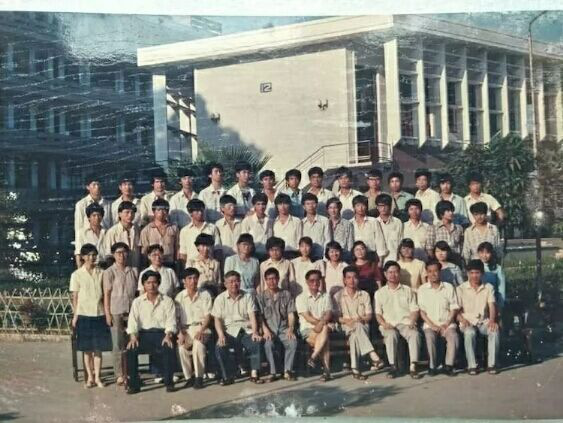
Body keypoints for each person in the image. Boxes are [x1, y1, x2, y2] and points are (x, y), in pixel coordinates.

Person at [126, 270, 177, 394]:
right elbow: (132, 321)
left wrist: (168, 335)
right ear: (144, 284)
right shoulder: (137, 302)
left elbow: (171, 321)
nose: (151, 285)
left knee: (169, 347)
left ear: (159, 283)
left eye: (154, 282)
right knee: (131, 350)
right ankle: (134, 384)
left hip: (161, 334)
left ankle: (169, 382)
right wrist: (133, 336)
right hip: (143, 335)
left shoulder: (167, 301)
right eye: (148, 283)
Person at [70, 244, 112, 389]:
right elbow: (75, 297)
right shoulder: (76, 275)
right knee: (87, 349)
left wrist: (107, 314)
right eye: (88, 255)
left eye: (94, 255)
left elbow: (105, 295)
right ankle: (89, 378)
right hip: (84, 315)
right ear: (82, 257)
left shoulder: (102, 273)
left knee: (98, 349)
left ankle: (98, 377)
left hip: (99, 315)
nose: (91, 258)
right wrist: (75, 316)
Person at [213, 271, 264, 385]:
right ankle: (227, 376)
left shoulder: (247, 296)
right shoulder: (220, 299)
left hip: (245, 330)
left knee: (256, 342)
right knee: (220, 347)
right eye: (231, 282)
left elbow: (252, 316)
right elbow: (217, 320)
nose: (234, 284)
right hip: (229, 331)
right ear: (225, 284)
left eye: (237, 281)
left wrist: (255, 332)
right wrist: (221, 335)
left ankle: (254, 373)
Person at [334, 266, 384, 380]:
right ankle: (373, 355)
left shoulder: (364, 294)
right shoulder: (338, 296)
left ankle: (355, 369)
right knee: (355, 329)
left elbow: (369, 315)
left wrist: (360, 320)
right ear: (344, 280)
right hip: (345, 326)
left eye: (354, 277)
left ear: (358, 279)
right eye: (348, 278)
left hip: (362, 325)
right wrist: (348, 321)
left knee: (355, 335)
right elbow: (337, 317)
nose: (352, 280)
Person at [375, 261, 422, 379]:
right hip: (388, 324)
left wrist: (412, 321)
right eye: (390, 272)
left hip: (405, 323)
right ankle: (393, 367)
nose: (393, 275)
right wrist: (384, 324)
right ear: (385, 274)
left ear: (399, 273)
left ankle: (413, 366)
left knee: (414, 334)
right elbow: (378, 314)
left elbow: (414, 310)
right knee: (391, 335)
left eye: (395, 272)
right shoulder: (380, 293)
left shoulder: (407, 290)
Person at [102, 242, 138, 386]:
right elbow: (106, 294)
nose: (121, 255)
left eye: (124, 252)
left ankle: (130, 372)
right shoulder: (109, 272)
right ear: (113, 255)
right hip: (116, 311)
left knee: (131, 342)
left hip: (131, 312)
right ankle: (119, 374)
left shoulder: (133, 271)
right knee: (118, 344)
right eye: (118, 253)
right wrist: (107, 314)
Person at [456, 259, 500, 375]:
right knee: (469, 333)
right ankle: (472, 365)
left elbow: (491, 305)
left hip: (483, 321)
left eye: (477, 273)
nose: (474, 276)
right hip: (467, 321)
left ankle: (492, 364)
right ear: (467, 274)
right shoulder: (461, 289)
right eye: (471, 273)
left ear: (482, 273)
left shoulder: (488, 287)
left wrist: (492, 321)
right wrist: (463, 320)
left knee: (494, 331)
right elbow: (456, 310)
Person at [417, 259, 460, 376]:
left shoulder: (448, 287)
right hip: (430, 324)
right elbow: (422, 311)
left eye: (435, 271)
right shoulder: (422, 289)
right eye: (430, 271)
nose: (433, 274)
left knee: (453, 336)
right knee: (429, 336)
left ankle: (448, 366)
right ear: (426, 273)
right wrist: (432, 325)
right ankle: (432, 366)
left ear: (440, 272)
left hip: (447, 323)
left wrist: (447, 323)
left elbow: (453, 307)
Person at [258, 268, 299, 382]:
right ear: (265, 280)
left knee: (292, 342)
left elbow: (291, 314)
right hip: (269, 329)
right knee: (268, 345)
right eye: (269, 279)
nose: (272, 281)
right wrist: (265, 330)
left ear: (278, 279)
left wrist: (291, 328)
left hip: (283, 329)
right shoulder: (261, 296)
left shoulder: (286, 294)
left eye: (274, 279)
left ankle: (287, 371)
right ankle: (273, 372)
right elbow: (260, 317)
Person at [175, 267, 213, 389]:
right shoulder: (179, 297)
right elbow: (177, 318)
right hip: (185, 329)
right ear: (184, 281)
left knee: (198, 344)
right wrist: (180, 333)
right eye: (189, 278)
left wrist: (201, 330)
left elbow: (208, 316)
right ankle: (189, 378)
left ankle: (199, 377)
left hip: (202, 327)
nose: (193, 281)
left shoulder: (205, 294)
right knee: (181, 347)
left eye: (195, 278)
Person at [296, 269, 333, 382]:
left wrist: (321, 324)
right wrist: (320, 323)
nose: (315, 283)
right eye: (312, 280)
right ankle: (326, 372)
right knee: (325, 338)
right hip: (307, 330)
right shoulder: (300, 298)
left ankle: (313, 357)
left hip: (322, 328)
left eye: (317, 280)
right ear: (307, 282)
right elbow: (307, 317)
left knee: (324, 331)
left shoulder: (326, 296)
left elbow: (328, 313)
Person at [178, 199, 221, 264]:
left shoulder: (212, 228)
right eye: (197, 211)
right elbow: (183, 254)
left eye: (201, 210)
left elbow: (217, 250)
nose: (200, 213)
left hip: (209, 266)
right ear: (190, 213)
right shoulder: (184, 231)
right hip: (192, 266)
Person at [74, 175, 112, 248]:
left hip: (105, 242)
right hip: (88, 242)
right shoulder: (81, 204)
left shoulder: (108, 204)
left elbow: (112, 225)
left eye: (98, 184)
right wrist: (79, 248)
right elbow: (78, 227)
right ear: (88, 187)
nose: (97, 187)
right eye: (94, 185)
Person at [139, 198, 178, 268]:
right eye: (159, 210)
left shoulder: (174, 228)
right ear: (153, 212)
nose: (162, 212)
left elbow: (177, 248)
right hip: (153, 265)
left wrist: (177, 265)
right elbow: (144, 251)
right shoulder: (146, 230)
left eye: (165, 210)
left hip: (170, 264)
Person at [104, 201, 141, 269]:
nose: (130, 215)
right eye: (127, 212)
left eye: (132, 212)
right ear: (119, 214)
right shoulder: (112, 232)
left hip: (136, 268)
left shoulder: (138, 229)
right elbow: (109, 255)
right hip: (119, 270)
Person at [351, 195, 388, 261]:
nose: (360, 208)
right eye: (358, 205)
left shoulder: (373, 221)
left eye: (363, 205)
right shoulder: (350, 223)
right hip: (355, 257)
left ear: (366, 207)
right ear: (354, 207)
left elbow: (379, 241)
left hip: (371, 255)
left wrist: (380, 260)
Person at [240, 193, 273, 260]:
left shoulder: (270, 220)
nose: (261, 207)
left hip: (268, 254)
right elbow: (244, 239)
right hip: (252, 254)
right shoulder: (247, 220)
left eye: (263, 204)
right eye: (258, 204)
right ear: (254, 205)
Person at [75, 203, 107, 268]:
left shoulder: (107, 232)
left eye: (99, 215)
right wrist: (80, 271)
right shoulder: (82, 233)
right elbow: (78, 254)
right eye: (94, 215)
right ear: (89, 217)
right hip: (88, 267)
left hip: (105, 267)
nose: (97, 218)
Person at [301, 193, 331, 260]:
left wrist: (325, 258)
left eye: (313, 203)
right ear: (303, 206)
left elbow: (328, 240)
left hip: (320, 257)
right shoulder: (301, 223)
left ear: (317, 205)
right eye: (308, 204)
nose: (311, 206)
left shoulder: (324, 220)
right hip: (306, 257)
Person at [273, 193, 302, 259]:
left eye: (285, 204)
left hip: (294, 254)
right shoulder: (273, 222)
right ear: (276, 206)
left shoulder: (296, 221)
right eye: (280, 204)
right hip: (278, 255)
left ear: (289, 205)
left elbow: (300, 238)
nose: (283, 207)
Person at [375, 194, 403, 263]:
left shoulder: (397, 222)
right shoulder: (374, 222)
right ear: (377, 207)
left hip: (394, 259)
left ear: (390, 206)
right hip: (378, 261)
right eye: (381, 206)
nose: (383, 208)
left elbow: (401, 241)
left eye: (386, 205)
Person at [478, 242, 506, 309]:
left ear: (491, 253)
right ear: (478, 253)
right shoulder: (475, 267)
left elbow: (501, 289)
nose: (484, 255)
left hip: (493, 302)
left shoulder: (497, 268)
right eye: (482, 252)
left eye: (487, 253)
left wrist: (500, 306)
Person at [215, 195, 242, 259]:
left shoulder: (242, 222)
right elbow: (217, 245)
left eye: (234, 206)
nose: (232, 208)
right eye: (229, 206)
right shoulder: (218, 224)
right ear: (222, 208)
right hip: (224, 258)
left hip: (240, 257)